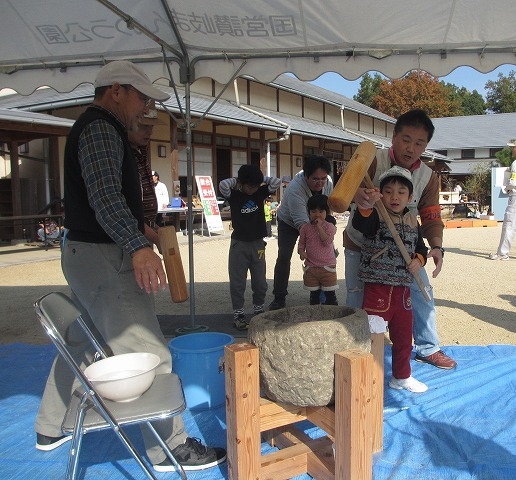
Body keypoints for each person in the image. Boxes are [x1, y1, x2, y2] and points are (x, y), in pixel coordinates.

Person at [34, 60, 226, 472]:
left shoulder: (96, 127)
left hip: (87, 252)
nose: (145, 109)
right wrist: (138, 246)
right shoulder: (101, 126)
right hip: (103, 256)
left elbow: (100, 198)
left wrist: (140, 228)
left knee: (84, 342)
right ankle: (169, 447)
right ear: (115, 91)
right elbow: (104, 197)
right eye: (140, 98)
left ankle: (50, 426)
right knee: (148, 352)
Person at [344, 109, 456, 370]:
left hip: (404, 255)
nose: (411, 148)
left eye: (420, 143)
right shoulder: (371, 160)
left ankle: (428, 347)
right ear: (394, 136)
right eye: (406, 139)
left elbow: (430, 215)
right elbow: (341, 194)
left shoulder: (428, 177)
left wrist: (436, 246)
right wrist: (356, 195)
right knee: (356, 300)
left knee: (422, 294)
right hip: (361, 246)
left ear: (426, 146)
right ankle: (354, 352)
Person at [352, 166, 429, 393]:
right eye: (388, 191)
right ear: (380, 193)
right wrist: (365, 205)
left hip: (403, 289)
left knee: (404, 336)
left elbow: (420, 248)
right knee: (372, 337)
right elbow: (362, 224)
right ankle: (365, 378)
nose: (395, 197)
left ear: (410, 196)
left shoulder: (413, 220)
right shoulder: (374, 214)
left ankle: (402, 376)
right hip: (378, 288)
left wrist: (419, 260)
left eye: (401, 192)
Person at [219, 164, 281, 329]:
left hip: (258, 244)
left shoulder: (260, 193)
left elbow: (276, 181)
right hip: (239, 245)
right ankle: (238, 313)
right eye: (249, 186)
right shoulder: (234, 195)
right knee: (238, 282)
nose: (253, 189)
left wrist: (260, 180)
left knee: (260, 281)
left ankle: (258, 309)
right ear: (241, 183)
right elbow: (223, 185)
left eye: (256, 186)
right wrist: (239, 180)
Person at [269, 155, 333, 310]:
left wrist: (326, 231)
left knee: (324, 254)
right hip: (289, 222)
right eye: (315, 179)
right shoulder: (295, 189)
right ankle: (279, 297)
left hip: (316, 220)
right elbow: (303, 225)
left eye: (323, 179)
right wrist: (310, 245)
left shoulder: (328, 182)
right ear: (306, 176)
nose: (320, 183)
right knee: (284, 257)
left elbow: (327, 208)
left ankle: (317, 292)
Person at [129, 107, 163, 249]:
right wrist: (157, 238)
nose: (149, 131)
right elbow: (127, 211)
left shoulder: (141, 151)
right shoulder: (125, 156)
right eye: (144, 126)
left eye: (151, 127)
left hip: (146, 228)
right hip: (132, 233)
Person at [297, 194, 338, 305]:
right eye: (313, 211)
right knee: (314, 295)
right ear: (309, 212)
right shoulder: (305, 228)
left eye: (321, 211)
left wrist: (319, 227)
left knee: (330, 295)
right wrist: (301, 252)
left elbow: (326, 242)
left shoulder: (330, 227)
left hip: (327, 266)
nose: (317, 215)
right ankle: (315, 318)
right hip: (311, 266)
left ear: (327, 212)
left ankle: (333, 317)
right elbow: (301, 243)